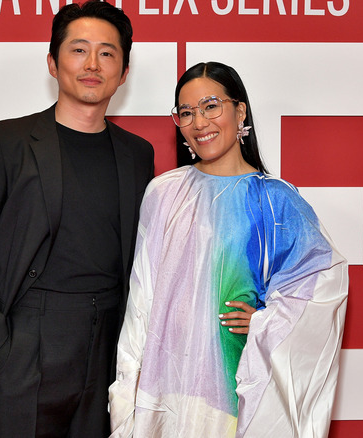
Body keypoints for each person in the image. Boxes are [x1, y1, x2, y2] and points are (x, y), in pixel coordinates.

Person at [0, 1, 155, 436]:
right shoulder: (4, 143)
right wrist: (1, 352)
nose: (92, 64)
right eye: (79, 50)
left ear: (124, 71)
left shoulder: (138, 155)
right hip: (28, 341)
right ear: (53, 63)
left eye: (108, 53)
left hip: (110, 348)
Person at [108, 61, 348, 438]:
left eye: (210, 106)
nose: (199, 122)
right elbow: (141, 301)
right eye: (186, 112)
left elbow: (323, 287)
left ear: (240, 111)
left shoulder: (275, 201)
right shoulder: (162, 193)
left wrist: (267, 322)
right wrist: (128, 385)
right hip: (163, 395)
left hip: (234, 395)